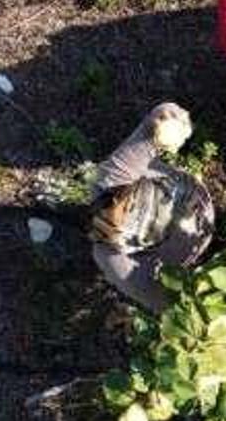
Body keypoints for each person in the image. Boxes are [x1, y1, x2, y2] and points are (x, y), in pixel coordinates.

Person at [90, 103, 214, 313]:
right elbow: (156, 296)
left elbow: (162, 117)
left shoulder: (112, 178)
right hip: (192, 231)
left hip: (192, 227)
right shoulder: (109, 254)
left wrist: (168, 122)